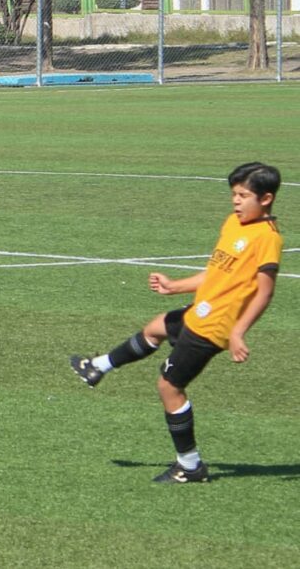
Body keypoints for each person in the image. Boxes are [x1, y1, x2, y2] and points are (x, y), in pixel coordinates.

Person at [70, 162, 283, 484]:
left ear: (265, 198)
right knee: (156, 327)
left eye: (243, 195)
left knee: (169, 387)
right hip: (201, 311)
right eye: (233, 195)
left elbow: (264, 293)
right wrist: (175, 286)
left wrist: (238, 332)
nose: (235, 202)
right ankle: (98, 366)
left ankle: (190, 465)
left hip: (214, 327)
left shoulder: (267, 239)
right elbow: (216, 273)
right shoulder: (233, 223)